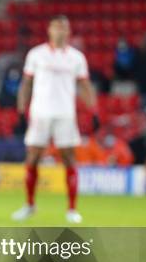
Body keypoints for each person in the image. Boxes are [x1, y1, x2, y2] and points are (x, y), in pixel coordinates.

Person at [12, 15, 97, 224]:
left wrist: (94, 110)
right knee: (32, 158)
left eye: (64, 28)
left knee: (69, 158)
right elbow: (26, 84)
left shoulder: (76, 58)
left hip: (65, 114)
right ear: (49, 30)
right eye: (56, 27)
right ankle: (30, 204)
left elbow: (85, 86)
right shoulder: (37, 54)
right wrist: (21, 110)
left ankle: (72, 209)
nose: (60, 31)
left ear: (69, 32)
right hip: (40, 113)